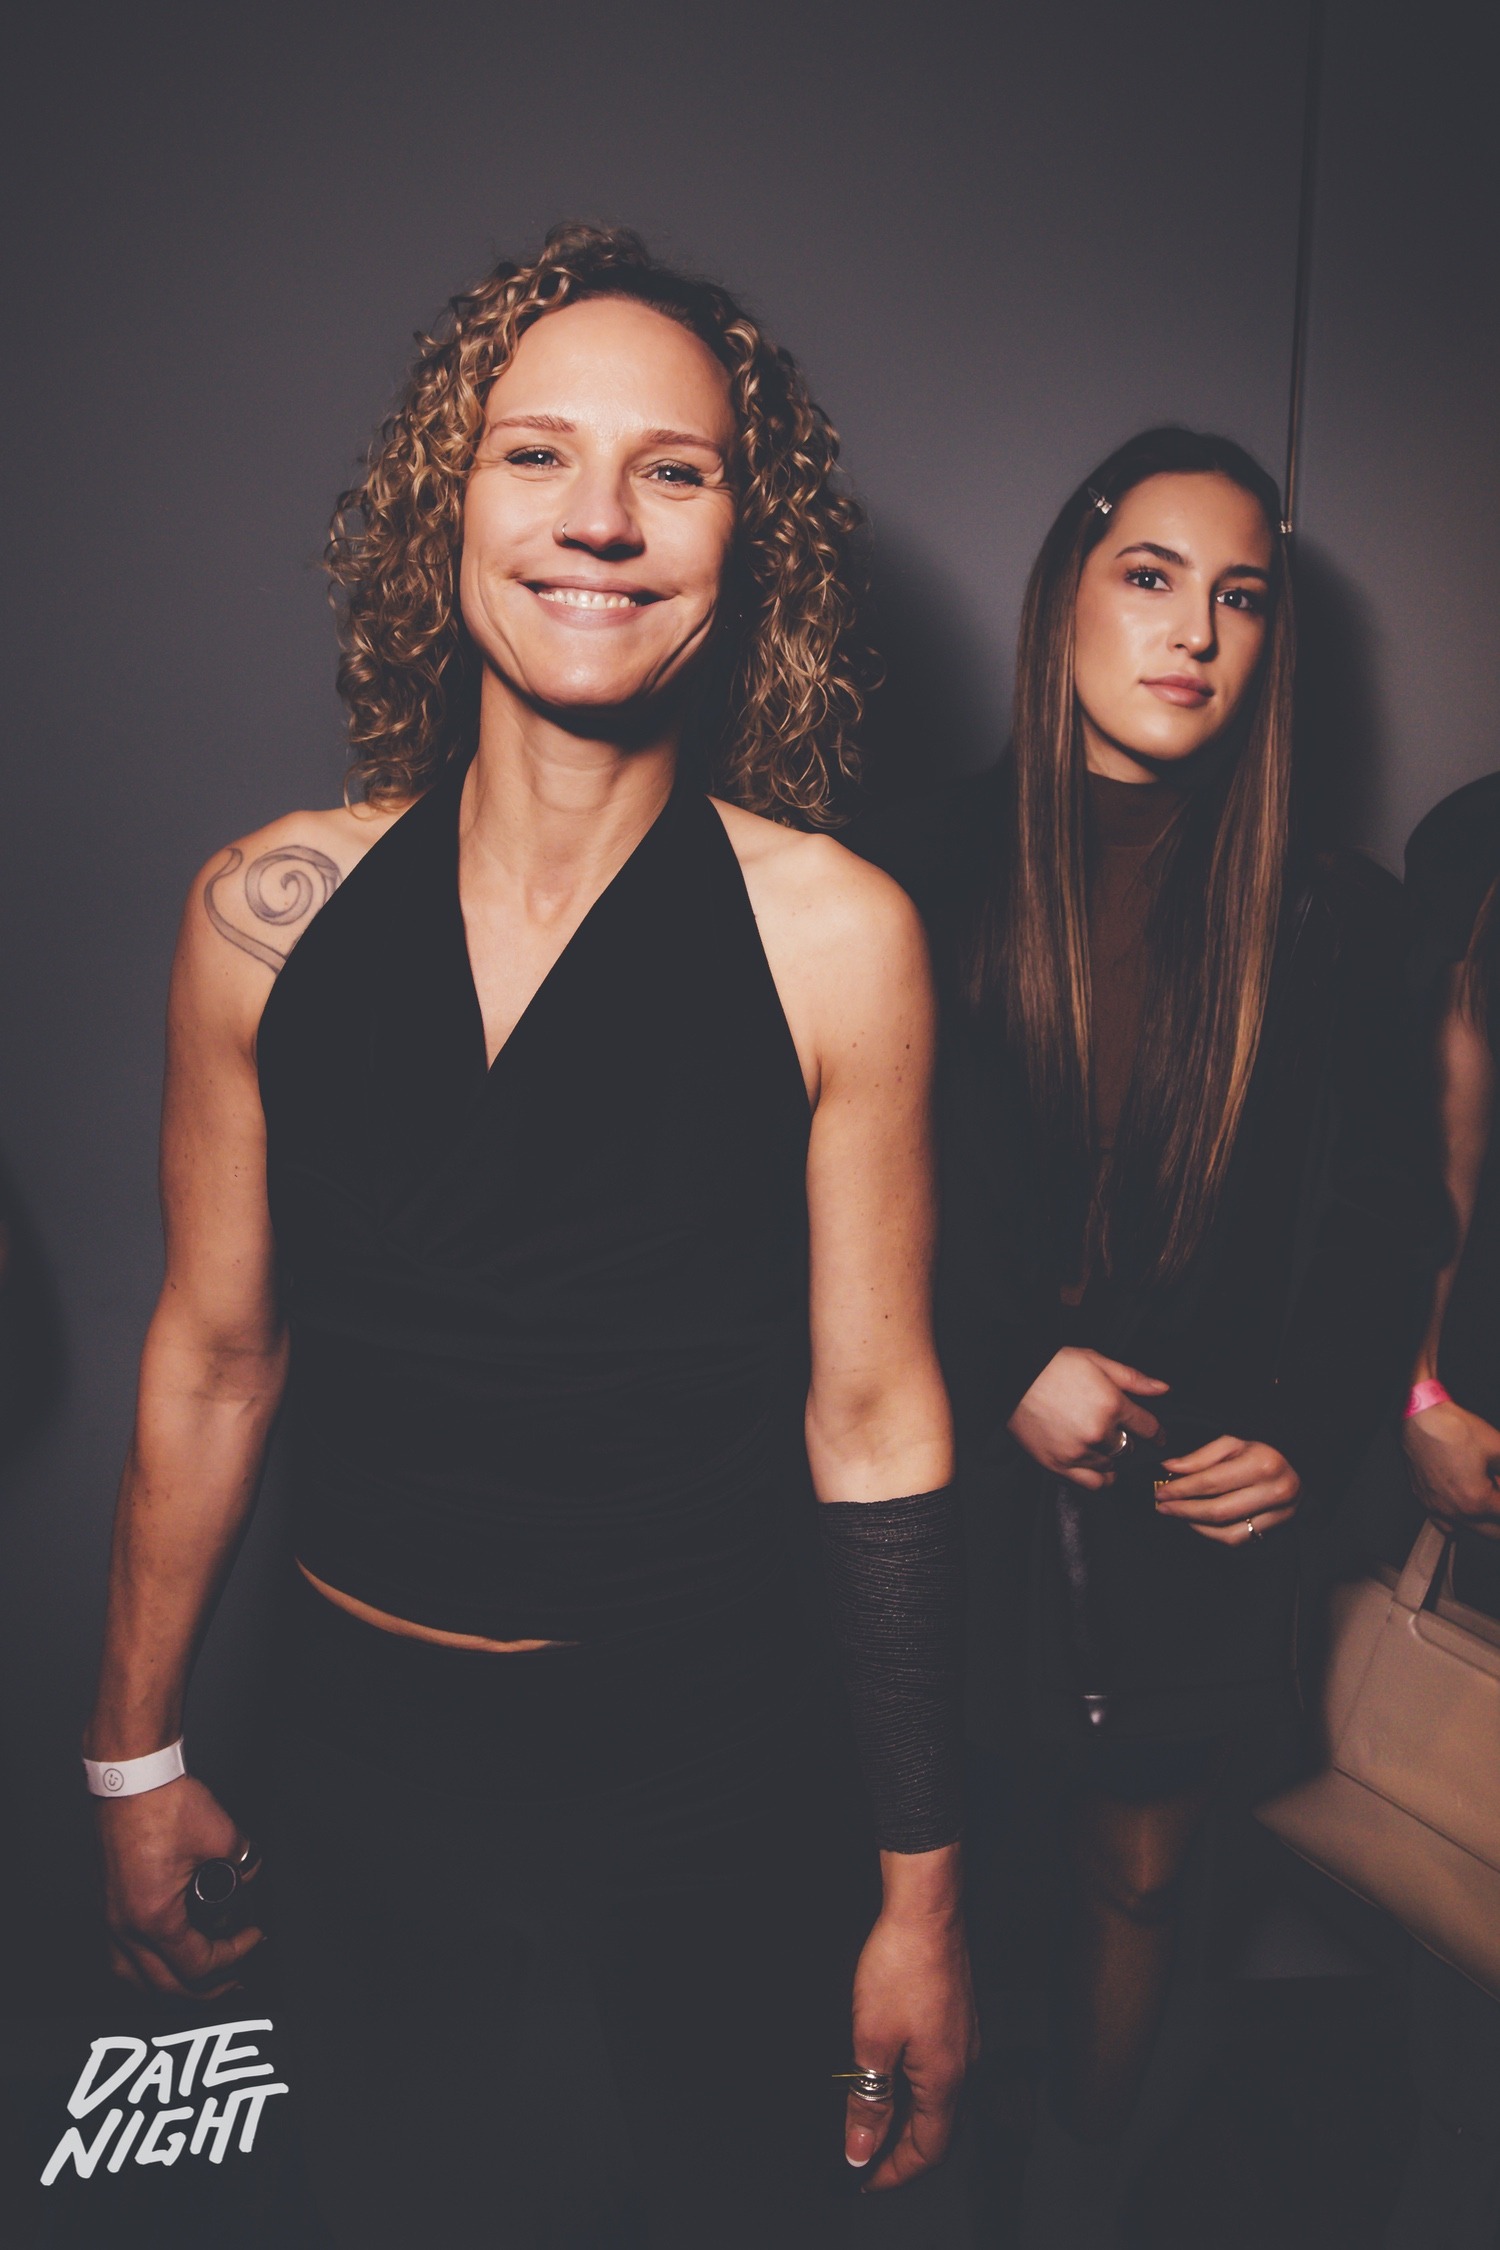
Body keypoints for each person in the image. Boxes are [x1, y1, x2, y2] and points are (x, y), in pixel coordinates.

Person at [84, 225, 976, 2249]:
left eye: (675, 469)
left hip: (715, 1780)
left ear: (749, 540)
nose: (600, 519)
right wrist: (130, 1762)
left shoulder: (838, 938)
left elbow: (879, 1429)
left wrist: (924, 1897)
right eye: (535, 453)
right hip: (359, 1781)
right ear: (450, 504)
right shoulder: (264, 917)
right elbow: (211, 1356)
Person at [859, 427, 1436, 2245]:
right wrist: (1001, 1367)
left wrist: (1307, 1428)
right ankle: (905, 2190)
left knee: (1137, 1873)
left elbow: (1384, 1219)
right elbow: (822, 1192)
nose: (1196, 631)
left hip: (1189, 1502)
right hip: (943, 1480)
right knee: (919, 1869)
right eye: (1153, 576)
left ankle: (1080, 2193)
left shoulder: (1334, 917)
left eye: (1241, 597)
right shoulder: (903, 868)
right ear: (1067, 596)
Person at [1384, 773, 1500, 2249]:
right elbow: (1436, 1180)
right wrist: (1418, 1395)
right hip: (1487, 1431)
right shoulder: (1480, 855)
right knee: (1474, 1836)